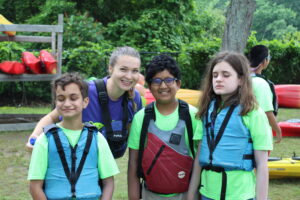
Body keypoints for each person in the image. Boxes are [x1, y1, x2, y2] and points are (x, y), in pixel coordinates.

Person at [26, 46, 143, 158]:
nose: (129, 76)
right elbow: (53, 117)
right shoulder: (86, 90)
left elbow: (133, 136)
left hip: (104, 166)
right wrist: (35, 136)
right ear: (110, 68)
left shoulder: (134, 98)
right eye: (123, 69)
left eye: (135, 71)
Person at [187, 52, 273, 200]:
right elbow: (199, 159)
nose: (218, 79)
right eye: (215, 75)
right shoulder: (207, 111)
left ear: (240, 79)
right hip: (207, 194)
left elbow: (262, 165)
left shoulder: (253, 113)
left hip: (240, 195)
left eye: (226, 75)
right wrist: (191, 194)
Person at [28, 72, 119, 200]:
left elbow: (108, 182)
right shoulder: (44, 140)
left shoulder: (97, 138)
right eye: (61, 99)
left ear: (85, 102)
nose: (66, 104)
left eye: (73, 98)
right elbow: (35, 186)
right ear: (55, 102)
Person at [127, 54, 201, 200]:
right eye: (156, 81)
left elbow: (200, 162)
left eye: (168, 80)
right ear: (149, 86)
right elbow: (133, 163)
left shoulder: (193, 116)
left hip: (185, 195)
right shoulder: (141, 118)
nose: (163, 86)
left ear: (178, 83)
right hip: (150, 194)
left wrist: (192, 196)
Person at [249, 44, 282, 143]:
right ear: (264, 61)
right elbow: (267, 113)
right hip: (258, 134)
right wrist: (278, 130)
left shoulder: (241, 79)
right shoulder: (261, 84)